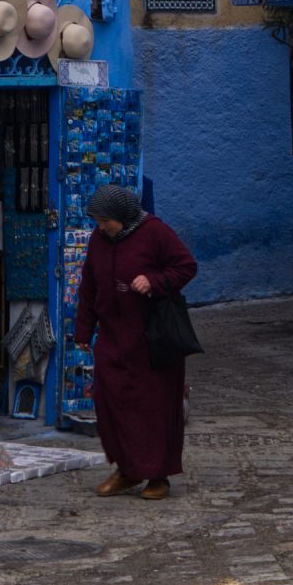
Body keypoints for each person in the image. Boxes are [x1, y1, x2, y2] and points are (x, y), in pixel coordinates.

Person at [73, 183, 198, 499]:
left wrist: (154, 281)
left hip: (152, 337)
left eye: (106, 221)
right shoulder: (100, 240)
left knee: (152, 408)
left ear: (122, 215)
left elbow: (186, 266)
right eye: (98, 221)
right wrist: (83, 331)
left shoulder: (155, 232)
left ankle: (158, 475)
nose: (101, 227)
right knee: (111, 403)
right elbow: (89, 286)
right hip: (113, 336)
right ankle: (127, 470)